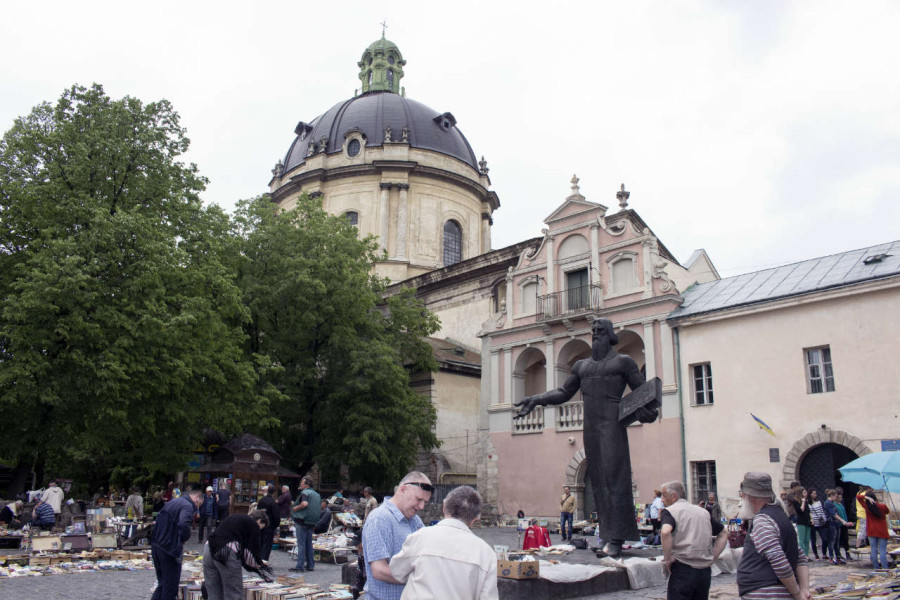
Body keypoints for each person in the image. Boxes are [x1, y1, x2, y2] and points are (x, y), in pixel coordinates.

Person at [514, 318, 659, 557]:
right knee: (600, 482)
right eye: (594, 331)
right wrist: (537, 399)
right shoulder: (582, 366)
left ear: (611, 335)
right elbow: (563, 392)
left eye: (601, 331)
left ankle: (616, 538)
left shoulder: (624, 362)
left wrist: (649, 411)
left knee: (615, 478)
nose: (596, 334)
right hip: (590, 426)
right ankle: (607, 535)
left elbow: (643, 393)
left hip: (613, 423)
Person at [389, 485, 498, 600]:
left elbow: (397, 572)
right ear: (475, 519)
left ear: (444, 506)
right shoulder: (486, 553)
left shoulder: (420, 538)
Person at [736, 472, 810, 600]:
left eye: (743, 496)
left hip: (765, 591)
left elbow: (779, 561)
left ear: (750, 497)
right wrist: (804, 590)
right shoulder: (780, 515)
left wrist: (798, 594)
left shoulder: (763, 520)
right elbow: (799, 556)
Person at [362, 471, 433, 600]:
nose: (422, 506)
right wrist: (421, 580)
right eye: (419, 499)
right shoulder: (379, 519)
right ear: (403, 489)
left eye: (425, 502)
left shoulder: (415, 520)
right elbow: (379, 571)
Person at [659, 481, 728, 600]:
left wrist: (667, 558)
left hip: (682, 567)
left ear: (674, 496)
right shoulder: (703, 512)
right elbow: (724, 532)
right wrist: (713, 556)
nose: (661, 499)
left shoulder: (670, 511)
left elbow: (665, 531)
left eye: (664, 495)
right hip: (704, 571)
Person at [203, 510, 274, 600]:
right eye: (261, 527)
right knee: (234, 592)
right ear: (259, 521)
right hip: (225, 553)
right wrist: (259, 564)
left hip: (209, 548)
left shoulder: (237, 518)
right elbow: (250, 550)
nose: (259, 530)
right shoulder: (252, 524)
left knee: (214, 591)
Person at [151, 488, 204, 600]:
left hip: (157, 545)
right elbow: (183, 524)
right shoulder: (187, 506)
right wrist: (184, 538)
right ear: (197, 498)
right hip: (169, 548)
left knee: (162, 584)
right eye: (200, 504)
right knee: (170, 587)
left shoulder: (174, 502)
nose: (198, 508)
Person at [289, 475, 322, 573]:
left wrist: (295, 508)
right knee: (309, 544)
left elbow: (304, 504)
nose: (301, 485)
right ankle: (310, 565)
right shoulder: (317, 495)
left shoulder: (305, 493)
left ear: (307, 484)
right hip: (312, 521)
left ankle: (300, 565)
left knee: (301, 544)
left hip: (302, 520)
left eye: (302, 483)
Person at [857, 489, 890, 570]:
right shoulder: (882, 506)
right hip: (882, 531)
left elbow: (858, 497)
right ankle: (885, 567)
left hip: (871, 531)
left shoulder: (867, 507)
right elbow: (887, 511)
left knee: (873, 550)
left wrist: (866, 497)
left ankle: (876, 567)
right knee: (882, 551)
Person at [256, 484, 279, 561]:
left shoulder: (261, 500)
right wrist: (276, 524)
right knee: (267, 543)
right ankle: (264, 559)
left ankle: (258, 558)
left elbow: (257, 512)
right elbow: (276, 515)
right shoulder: (273, 502)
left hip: (261, 522)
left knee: (260, 541)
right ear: (273, 492)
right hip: (270, 524)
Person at [791, 487, 812, 558]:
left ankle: (806, 555)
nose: (805, 494)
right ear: (800, 493)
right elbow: (801, 510)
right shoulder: (796, 502)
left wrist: (811, 519)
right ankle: (802, 555)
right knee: (801, 540)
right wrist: (803, 502)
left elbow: (808, 511)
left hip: (807, 521)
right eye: (804, 492)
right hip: (801, 522)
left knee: (807, 540)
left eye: (806, 492)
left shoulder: (806, 501)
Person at [807, 488, 824, 560]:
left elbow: (821, 511)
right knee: (813, 539)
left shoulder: (818, 502)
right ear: (810, 494)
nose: (815, 495)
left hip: (820, 523)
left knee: (824, 538)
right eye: (814, 493)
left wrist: (824, 519)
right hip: (813, 523)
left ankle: (824, 553)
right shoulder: (808, 503)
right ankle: (816, 554)